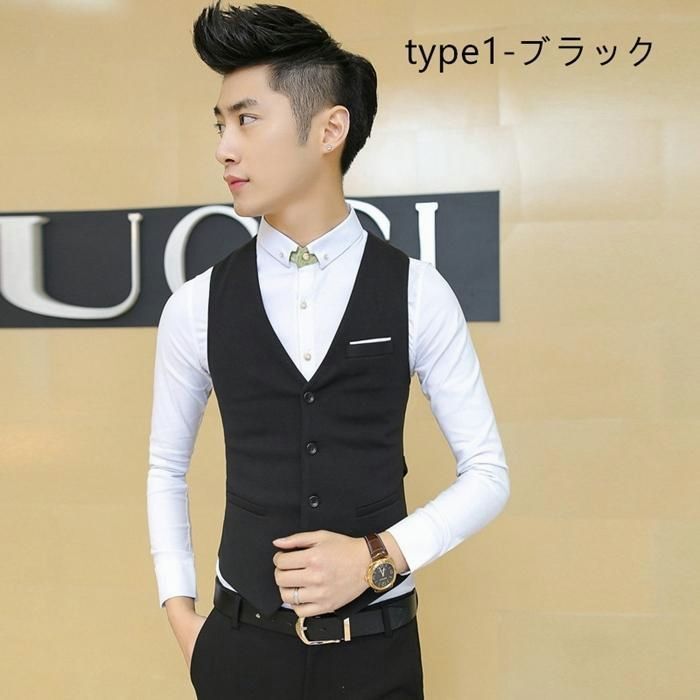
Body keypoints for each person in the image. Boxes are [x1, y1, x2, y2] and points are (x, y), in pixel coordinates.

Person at [146, 2, 510, 698]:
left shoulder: (417, 291)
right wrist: (183, 619)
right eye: (220, 125)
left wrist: (379, 556)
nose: (225, 148)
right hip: (239, 652)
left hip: (378, 656)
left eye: (247, 119)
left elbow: (488, 474)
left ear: (329, 129)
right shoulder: (194, 306)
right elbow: (166, 467)